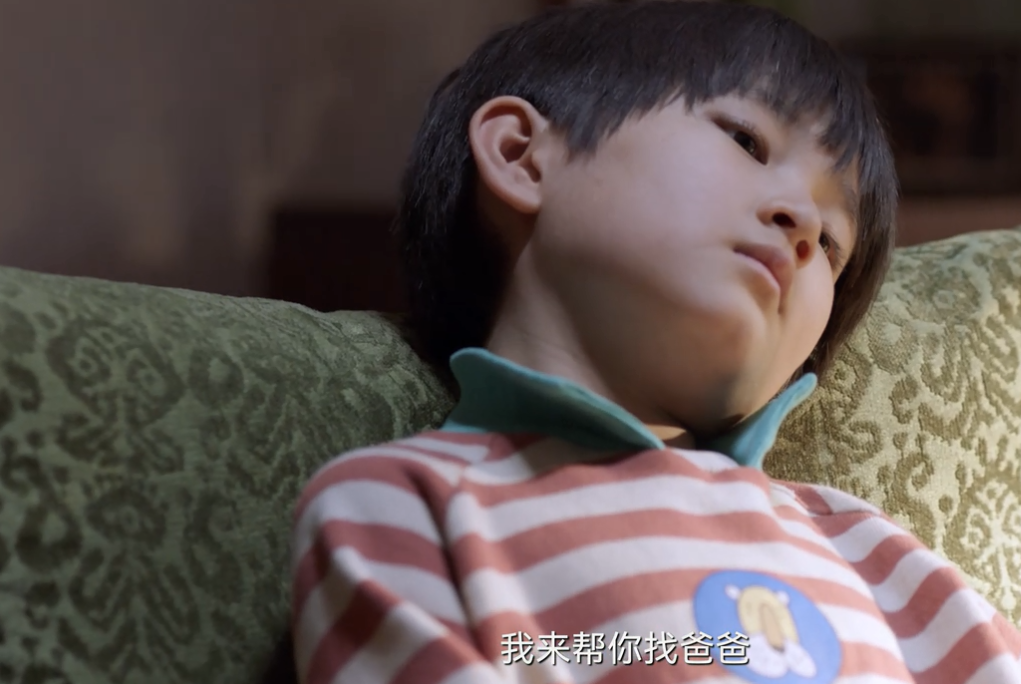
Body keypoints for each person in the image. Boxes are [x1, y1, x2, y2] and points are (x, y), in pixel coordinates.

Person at [290, 2, 1021, 682]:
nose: (802, 221)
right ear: (521, 154)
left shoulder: (873, 552)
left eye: (832, 242)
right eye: (746, 140)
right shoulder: (403, 509)